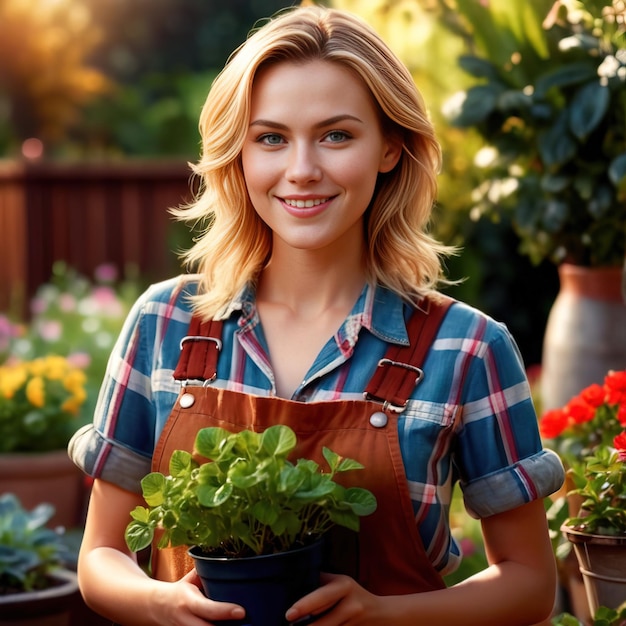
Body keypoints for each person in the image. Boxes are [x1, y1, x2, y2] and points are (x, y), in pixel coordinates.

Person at [69, 5, 565, 625]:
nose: (302, 170)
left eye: (336, 135)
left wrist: (383, 615)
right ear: (239, 155)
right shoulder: (164, 323)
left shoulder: (467, 348)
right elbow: (100, 556)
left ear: (389, 147)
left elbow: (529, 583)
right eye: (271, 138)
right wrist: (159, 602)